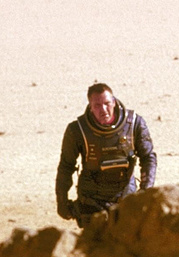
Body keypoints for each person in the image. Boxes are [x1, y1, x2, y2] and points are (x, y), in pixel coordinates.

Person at [55, 83, 157, 227]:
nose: (103, 110)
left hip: (125, 196)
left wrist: (144, 193)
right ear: (90, 107)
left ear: (114, 102)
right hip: (91, 200)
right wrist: (62, 201)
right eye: (97, 105)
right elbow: (66, 166)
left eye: (107, 103)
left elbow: (148, 158)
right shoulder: (77, 130)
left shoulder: (134, 123)